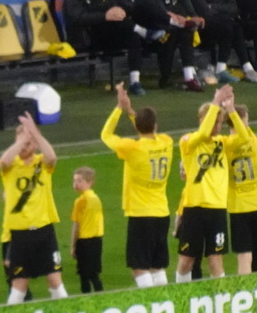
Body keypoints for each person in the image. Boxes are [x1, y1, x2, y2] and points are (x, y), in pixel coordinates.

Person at [101, 83, 173, 288]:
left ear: (137, 127)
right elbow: (147, 129)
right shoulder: (166, 142)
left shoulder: (131, 148)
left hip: (141, 214)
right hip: (162, 212)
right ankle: (166, 302)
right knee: (158, 265)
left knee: (139, 266)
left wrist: (119, 108)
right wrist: (132, 112)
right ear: (156, 126)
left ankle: (151, 304)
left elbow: (106, 135)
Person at [0, 111, 68, 302]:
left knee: (55, 280)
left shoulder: (42, 164)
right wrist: (22, 139)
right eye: (20, 143)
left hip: (44, 230)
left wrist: (34, 134)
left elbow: (52, 157)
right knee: (19, 285)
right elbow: (3, 161)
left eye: (28, 144)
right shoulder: (11, 166)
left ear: (36, 144)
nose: (23, 147)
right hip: (20, 233)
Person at [177, 84, 244, 280]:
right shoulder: (188, 141)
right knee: (186, 261)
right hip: (194, 208)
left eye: (220, 122)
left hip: (217, 209)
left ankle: (221, 305)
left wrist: (231, 110)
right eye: (214, 122)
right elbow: (202, 134)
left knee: (216, 261)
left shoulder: (222, 143)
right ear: (202, 120)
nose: (218, 126)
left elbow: (245, 138)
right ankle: (182, 301)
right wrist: (216, 102)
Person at [64, 0, 148, 97]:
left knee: (132, 36)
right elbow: (79, 18)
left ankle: (135, 82)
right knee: (124, 26)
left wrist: (119, 12)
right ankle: (143, 32)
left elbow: (113, 8)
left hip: (105, 37)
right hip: (85, 39)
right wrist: (105, 16)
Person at [224, 103, 257, 274]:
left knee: (244, 257)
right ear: (243, 121)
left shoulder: (224, 146)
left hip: (238, 207)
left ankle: (245, 297)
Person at [110, 0, 173, 96]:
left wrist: (171, 20)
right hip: (123, 34)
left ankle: (167, 77)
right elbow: (120, 16)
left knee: (169, 32)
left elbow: (153, 10)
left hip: (145, 30)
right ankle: (134, 82)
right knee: (133, 35)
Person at [147, 0, 204, 91]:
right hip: (161, 30)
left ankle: (189, 77)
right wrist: (181, 20)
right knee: (173, 31)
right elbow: (161, 14)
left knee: (186, 32)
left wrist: (196, 19)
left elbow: (190, 10)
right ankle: (165, 77)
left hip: (182, 28)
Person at [70, 166, 104, 293]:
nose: (76, 184)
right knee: (94, 274)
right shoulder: (96, 198)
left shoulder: (80, 201)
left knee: (84, 276)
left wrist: (73, 246)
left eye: (79, 181)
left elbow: (77, 225)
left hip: (84, 241)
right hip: (97, 240)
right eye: (75, 181)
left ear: (89, 182)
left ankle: (86, 300)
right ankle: (101, 297)